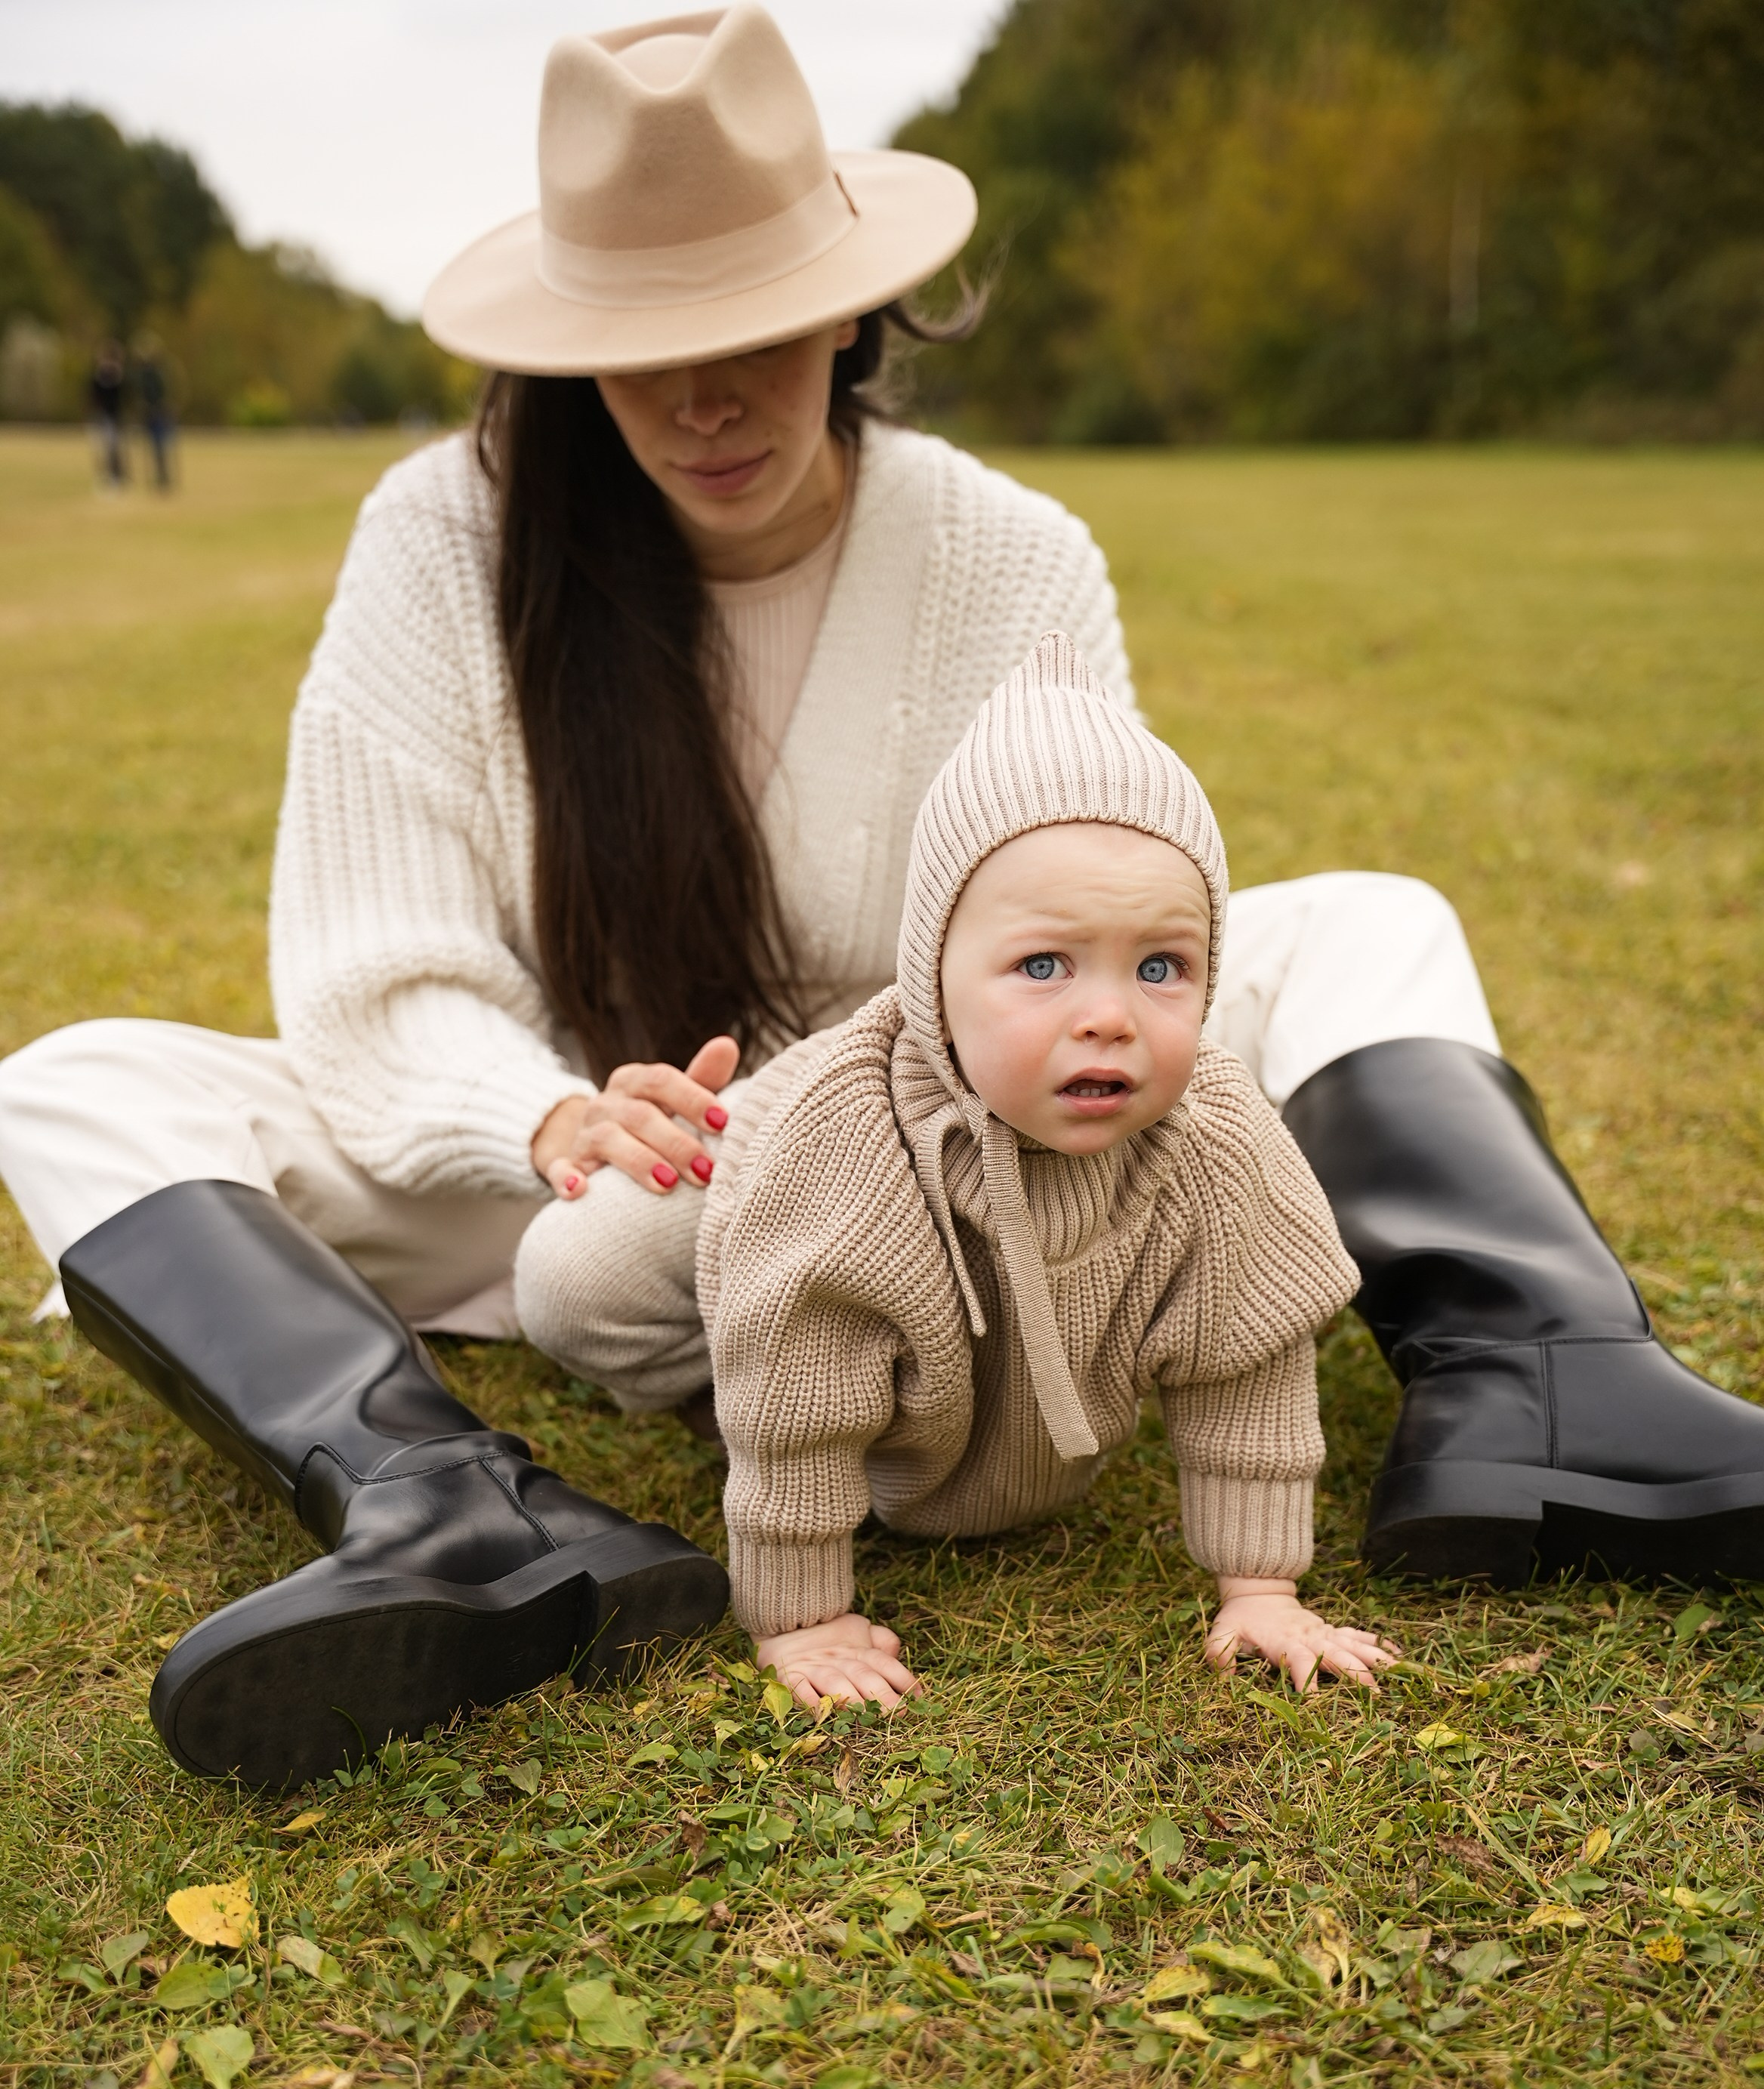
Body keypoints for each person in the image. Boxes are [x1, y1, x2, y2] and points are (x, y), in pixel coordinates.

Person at [0, 7, 1756, 1793]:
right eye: (644, 349)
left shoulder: (1006, 551)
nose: (704, 399)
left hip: (944, 1142)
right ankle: (441, 1504)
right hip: (605, 1169)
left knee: (1371, 918)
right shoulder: (441, 535)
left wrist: (895, 1083)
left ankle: (1541, 1380)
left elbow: (1084, 915)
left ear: (850, 313)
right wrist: (543, 1114)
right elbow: (375, 966)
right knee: (78, 1084)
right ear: (569, 355)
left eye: (753, 331)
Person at [699, 631, 1401, 1712]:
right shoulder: (845, 1149)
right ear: (934, 980)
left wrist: (1262, 1586)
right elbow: (800, 1398)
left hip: (975, 1414)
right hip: (737, 1207)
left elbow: (1251, 1357)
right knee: (584, 1279)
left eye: (1160, 966)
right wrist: (803, 1617)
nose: (1109, 1016)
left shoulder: (1217, 1139)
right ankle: (692, 1356)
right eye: (1042, 965)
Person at [134, 337, 175, 489]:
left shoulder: (157, 374)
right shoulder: (143, 376)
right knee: (154, 447)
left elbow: (162, 394)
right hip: (149, 414)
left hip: (157, 414)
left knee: (159, 446)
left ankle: (162, 476)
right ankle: (159, 476)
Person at [89, 340, 127, 488]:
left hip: (114, 417)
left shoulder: (118, 377)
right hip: (101, 417)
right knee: (101, 448)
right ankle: (106, 475)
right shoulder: (99, 377)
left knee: (114, 448)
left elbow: (121, 397)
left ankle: (116, 476)